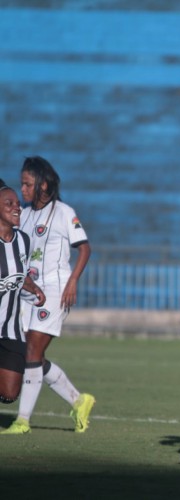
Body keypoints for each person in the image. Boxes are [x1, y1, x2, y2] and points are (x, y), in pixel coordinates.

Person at [2, 157, 93, 435]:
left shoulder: (64, 212)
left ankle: (23, 421)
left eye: (27, 184)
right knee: (31, 356)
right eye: (21, 184)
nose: (23, 190)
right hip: (28, 293)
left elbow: (85, 248)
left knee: (32, 351)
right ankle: (79, 401)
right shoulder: (24, 214)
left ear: (43, 184)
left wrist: (73, 282)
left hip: (56, 291)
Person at [0, 180, 46, 407]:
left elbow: (20, 274)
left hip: (10, 330)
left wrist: (33, 288)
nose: (17, 207)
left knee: (9, 394)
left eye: (17, 203)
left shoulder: (24, 241)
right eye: (9, 203)